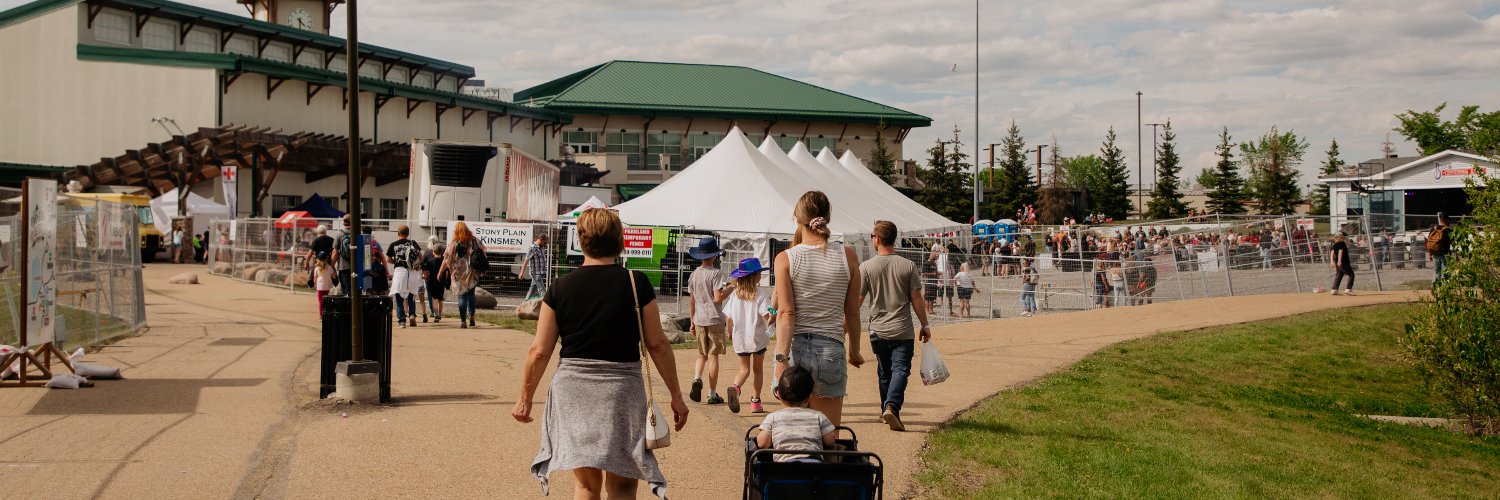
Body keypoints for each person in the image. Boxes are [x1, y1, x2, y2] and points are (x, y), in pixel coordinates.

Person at [512, 208, 687, 500]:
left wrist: (524, 399)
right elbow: (657, 344)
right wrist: (676, 397)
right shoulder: (636, 283)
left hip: (573, 391)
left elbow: (540, 350)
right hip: (622, 392)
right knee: (622, 486)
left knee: (585, 486)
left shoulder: (559, 288)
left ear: (581, 241)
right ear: (620, 240)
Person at [773, 191, 863, 427]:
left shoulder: (786, 258)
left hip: (796, 348)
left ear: (797, 217)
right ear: (827, 217)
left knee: (793, 430)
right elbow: (852, 311)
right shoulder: (848, 256)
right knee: (829, 435)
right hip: (831, 350)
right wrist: (854, 349)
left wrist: (780, 359)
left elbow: (786, 313)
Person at [859, 220, 930, 432]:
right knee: (901, 369)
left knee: (884, 372)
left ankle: (886, 408)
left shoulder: (866, 267)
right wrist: (924, 324)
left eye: (872, 236)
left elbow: (858, 300)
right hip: (902, 329)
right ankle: (892, 406)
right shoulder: (908, 266)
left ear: (877, 239)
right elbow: (916, 298)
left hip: (878, 330)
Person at [754, 366, 837, 462]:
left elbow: (762, 443)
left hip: (784, 468)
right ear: (809, 397)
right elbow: (830, 441)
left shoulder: (773, 418)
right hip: (814, 468)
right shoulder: (818, 416)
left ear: (778, 394)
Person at [723, 257, 772, 414]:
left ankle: (736, 388)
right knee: (758, 370)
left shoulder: (735, 295)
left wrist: (730, 332)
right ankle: (755, 402)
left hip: (740, 337)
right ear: (755, 276)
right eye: (758, 273)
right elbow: (766, 315)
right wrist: (776, 313)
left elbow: (728, 317)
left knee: (744, 370)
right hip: (757, 338)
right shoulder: (761, 294)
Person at [686, 236, 729, 405]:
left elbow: (692, 301)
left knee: (701, 355)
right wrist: (731, 289)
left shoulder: (694, 275)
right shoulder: (716, 273)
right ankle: (712, 393)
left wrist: (691, 321)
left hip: (699, 319)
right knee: (714, 356)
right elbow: (718, 298)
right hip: (714, 319)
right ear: (715, 256)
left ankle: (697, 378)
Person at [440, 221, 486, 328]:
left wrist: (443, 271)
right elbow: (483, 252)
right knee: (470, 295)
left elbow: (446, 258)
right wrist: (482, 269)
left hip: (458, 274)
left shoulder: (454, 242)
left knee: (462, 296)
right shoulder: (474, 240)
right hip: (473, 272)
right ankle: (472, 316)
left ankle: (463, 321)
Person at [387, 226, 423, 328]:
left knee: (399, 297)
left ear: (398, 233)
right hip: (412, 272)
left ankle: (402, 321)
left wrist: (397, 262)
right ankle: (412, 315)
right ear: (408, 233)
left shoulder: (393, 245)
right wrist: (415, 265)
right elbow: (421, 257)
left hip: (400, 272)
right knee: (411, 296)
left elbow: (388, 260)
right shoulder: (413, 243)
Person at [518, 234, 551, 300]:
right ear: (541, 240)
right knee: (542, 290)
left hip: (541, 273)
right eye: (545, 242)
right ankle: (545, 306)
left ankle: (525, 304)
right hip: (536, 273)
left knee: (532, 289)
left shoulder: (541, 248)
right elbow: (526, 261)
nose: (545, 244)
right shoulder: (532, 248)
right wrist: (521, 273)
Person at [423, 240, 449, 323]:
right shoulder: (444, 261)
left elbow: (427, 271)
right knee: (440, 300)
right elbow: (447, 273)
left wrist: (425, 277)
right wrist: (444, 279)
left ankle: (436, 313)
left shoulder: (430, 261)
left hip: (432, 282)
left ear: (433, 252)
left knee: (434, 299)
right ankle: (439, 315)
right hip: (441, 283)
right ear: (442, 252)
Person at [1428, 213, 1452, 285]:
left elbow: (1430, 241)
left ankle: (1435, 287)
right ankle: (1445, 288)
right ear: (1447, 220)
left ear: (1440, 219)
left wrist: (1430, 254)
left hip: (1435, 253)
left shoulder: (1433, 228)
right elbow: (1453, 243)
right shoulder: (1448, 230)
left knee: (1436, 271)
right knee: (1445, 271)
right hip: (1445, 254)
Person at [1329, 231, 1355, 295]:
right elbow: (1340, 251)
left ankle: (1334, 289)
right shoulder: (1342, 243)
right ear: (1340, 237)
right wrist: (1339, 261)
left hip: (1338, 263)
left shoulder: (1335, 244)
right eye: (1343, 236)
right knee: (1351, 274)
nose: (1344, 237)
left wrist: (1332, 261)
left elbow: (1332, 253)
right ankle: (1348, 289)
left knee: (1339, 275)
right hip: (1343, 262)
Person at [313, 251, 334, 316]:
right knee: (326, 301)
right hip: (327, 287)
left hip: (320, 287)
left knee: (320, 302)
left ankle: (321, 315)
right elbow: (334, 276)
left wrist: (315, 284)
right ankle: (326, 314)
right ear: (326, 259)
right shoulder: (329, 267)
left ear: (318, 259)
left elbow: (315, 279)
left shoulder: (316, 268)